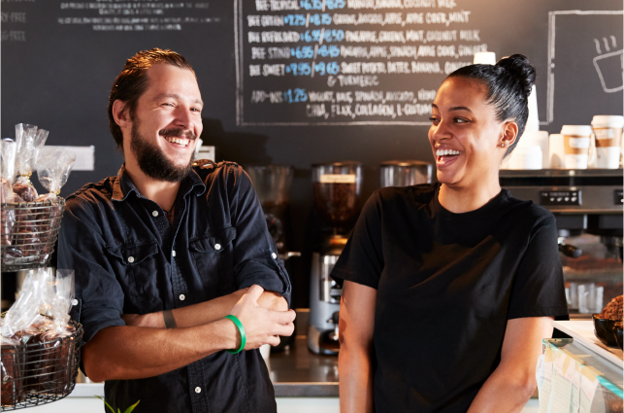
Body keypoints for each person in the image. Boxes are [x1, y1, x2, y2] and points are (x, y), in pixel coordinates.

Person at [57, 48, 296, 413]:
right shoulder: (87, 215)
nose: (188, 123)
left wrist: (155, 322)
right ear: (123, 114)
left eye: (196, 108)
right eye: (169, 103)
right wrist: (234, 330)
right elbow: (102, 357)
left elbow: (271, 303)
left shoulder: (228, 187)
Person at [332, 54, 569, 413]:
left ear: (505, 134)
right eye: (435, 118)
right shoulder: (386, 211)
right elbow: (354, 344)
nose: (439, 132)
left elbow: (520, 374)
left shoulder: (530, 228)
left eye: (459, 119)